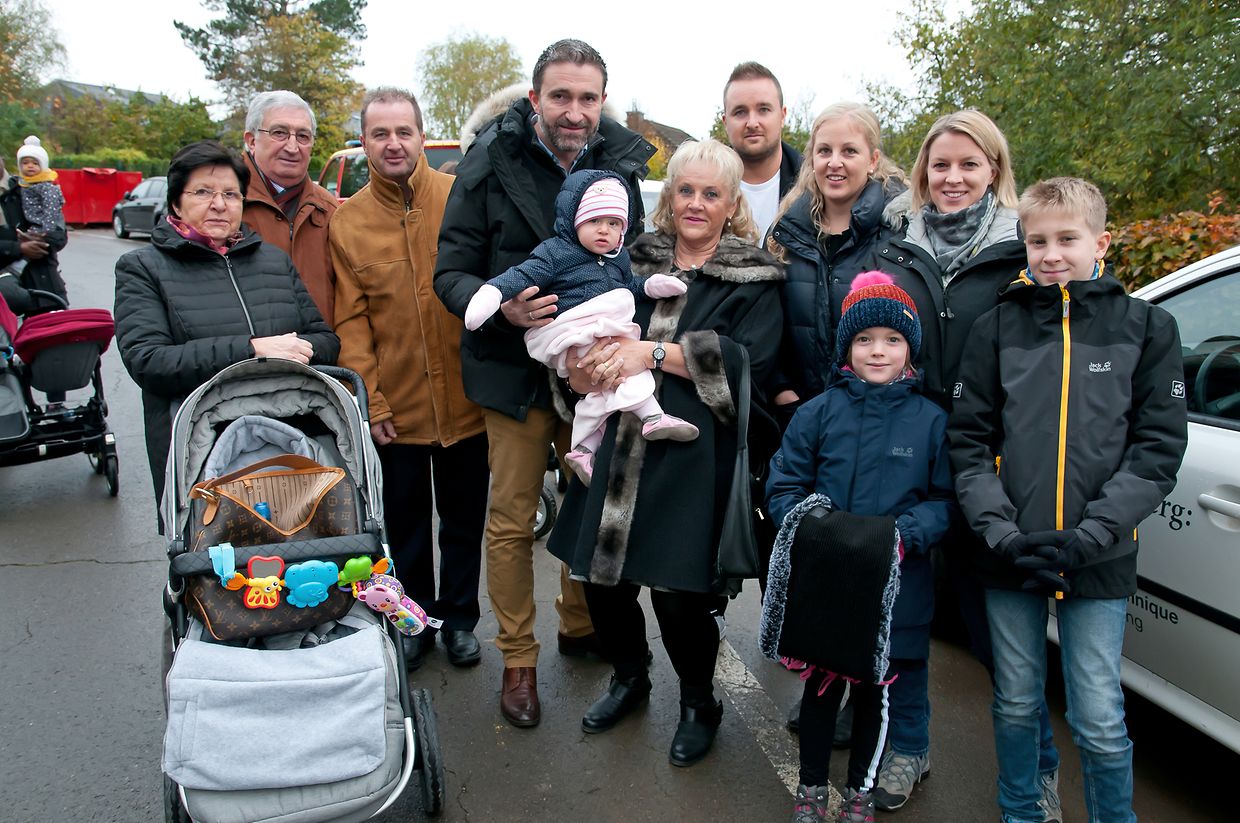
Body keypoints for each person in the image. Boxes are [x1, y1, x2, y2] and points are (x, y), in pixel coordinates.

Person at [949, 177, 1188, 823]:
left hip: (1098, 557)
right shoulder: (997, 327)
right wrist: (1002, 533)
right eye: (1037, 240)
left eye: (1066, 239)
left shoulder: (1146, 327)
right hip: (1011, 554)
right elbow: (968, 441)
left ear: (1100, 242)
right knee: (1018, 701)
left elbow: (1157, 449)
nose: (1051, 253)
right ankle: (1022, 811)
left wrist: (1092, 534)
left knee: (1099, 715)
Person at [433, 38, 656, 728]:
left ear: (602, 102)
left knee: (591, 505)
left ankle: (579, 621)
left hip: (590, 371)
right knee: (510, 518)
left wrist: (624, 343)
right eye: (560, 96)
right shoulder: (486, 162)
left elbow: (632, 267)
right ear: (535, 99)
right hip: (511, 370)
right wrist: (503, 304)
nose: (574, 111)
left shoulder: (618, 161)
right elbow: (451, 273)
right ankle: (520, 659)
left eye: (588, 97)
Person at [548, 139, 784, 768]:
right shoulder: (625, 259)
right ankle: (630, 676)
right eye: (685, 190)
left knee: (680, 595)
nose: (696, 204)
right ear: (667, 197)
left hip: (690, 453)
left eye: (711, 193)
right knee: (599, 580)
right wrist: (578, 369)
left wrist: (650, 354)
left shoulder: (755, 277)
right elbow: (581, 325)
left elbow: (745, 367)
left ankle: (699, 702)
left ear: (732, 203)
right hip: (615, 446)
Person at [871, 109, 1062, 816]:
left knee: (1001, 639)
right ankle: (908, 748)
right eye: (940, 165)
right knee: (908, 625)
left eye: (968, 165)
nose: (952, 178)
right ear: (922, 172)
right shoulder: (891, 248)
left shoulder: (1025, 252)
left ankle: (1038, 768)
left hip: (995, 472)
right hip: (910, 465)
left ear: (994, 171)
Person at [764, 272, 954, 822]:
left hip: (898, 592)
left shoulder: (931, 422)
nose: (878, 350)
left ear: (910, 349)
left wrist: (902, 535)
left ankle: (860, 793)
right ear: (847, 345)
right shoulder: (818, 412)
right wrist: (818, 529)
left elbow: (945, 500)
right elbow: (783, 486)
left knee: (877, 697)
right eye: (865, 339)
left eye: (892, 340)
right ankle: (811, 792)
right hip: (828, 586)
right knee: (821, 694)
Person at [331, 88, 489, 670]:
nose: (393, 143)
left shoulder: (459, 198)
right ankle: (415, 619)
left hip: (467, 402)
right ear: (365, 142)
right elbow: (352, 322)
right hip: (396, 405)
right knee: (405, 525)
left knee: (464, 521)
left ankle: (461, 621)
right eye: (380, 134)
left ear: (423, 136)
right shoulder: (347, 224)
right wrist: (372, 401)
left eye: (404, 131)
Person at [114, 140, 338, 528]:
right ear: (176, 203)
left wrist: (297, 349)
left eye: (231, 194)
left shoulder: (271, 260)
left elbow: (325, 339)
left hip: (293, 443)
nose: (219, 204)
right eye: (203, 192)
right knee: (216, 575)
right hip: (202, 452)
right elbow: (148, 361)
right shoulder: (143, 267)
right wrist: (253, 351)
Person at [464, 170, 694, 482]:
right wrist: (491, 294)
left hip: (602, 329)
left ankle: (583, 450)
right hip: (570, 331)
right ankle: (651, 416)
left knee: (600, 390)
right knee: (620, 370)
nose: (604, 231)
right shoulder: (556, 252)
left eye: (614, 224)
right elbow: (521, 275)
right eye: (594, 221)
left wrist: (651, 285)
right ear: (575, 220)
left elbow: (629, 286)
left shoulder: (619, 259)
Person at [241, 90, 338, 323]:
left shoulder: (331, 211)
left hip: (322, 354)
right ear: (251, 141)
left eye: (303, 136)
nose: (293, 147)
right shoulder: (224, 207)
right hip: (249, 356)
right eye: (279, 133)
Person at [720, 62, 802, 242]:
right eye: (740, 112)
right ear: (725, 122)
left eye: (763, 109)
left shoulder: (813, 187)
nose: (752, 122)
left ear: (782, 115)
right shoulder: (702, 185)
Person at [0, 141, 67, 313]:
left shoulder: (30, 187)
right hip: (7, 291)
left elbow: (60, 235)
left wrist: (41, 239)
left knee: (52, 335)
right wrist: (18, 248)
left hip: (45, 286)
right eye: (25, 162)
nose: (29, 166)